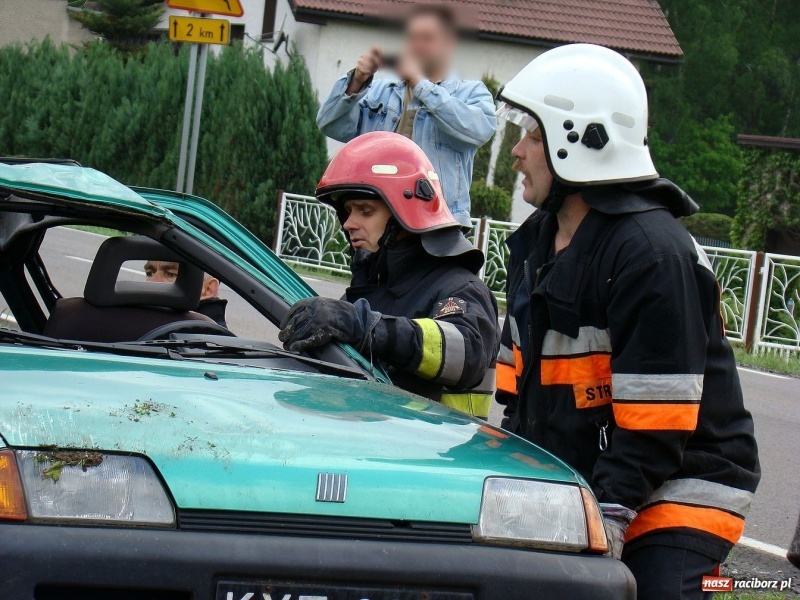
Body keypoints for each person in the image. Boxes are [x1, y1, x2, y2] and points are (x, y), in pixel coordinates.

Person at [493, 44, 760, 598]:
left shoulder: (652, 255)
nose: (517, 152)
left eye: (534, 135)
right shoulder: (537, 247)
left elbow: (657, 428)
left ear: (582, 141)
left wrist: (605, 522)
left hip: (683, 488)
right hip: (593, 479)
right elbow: (521, 405)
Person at [279, 132, 499, 417]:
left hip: (442, 454)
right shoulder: (369, 291)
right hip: (379, 451)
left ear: (405, 215)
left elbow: (466, 353)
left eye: (365, 211)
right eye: (347, 211)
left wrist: (365, 327)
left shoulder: (461, 289)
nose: (349, 223)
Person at [316, 4, 496, 226]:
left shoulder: (470, 92)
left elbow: (480, 131)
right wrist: (356, 81)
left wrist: (421, 85)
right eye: (412, 38)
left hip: (439, 222)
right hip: (378, 219)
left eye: (427, 38)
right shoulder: (378, 90)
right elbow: (328, 123)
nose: (417, 46)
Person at [144, 260, 228, 328]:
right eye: (150, 273)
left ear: (208, 289)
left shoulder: (211, 340)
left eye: (171, 274)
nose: (152, 282)